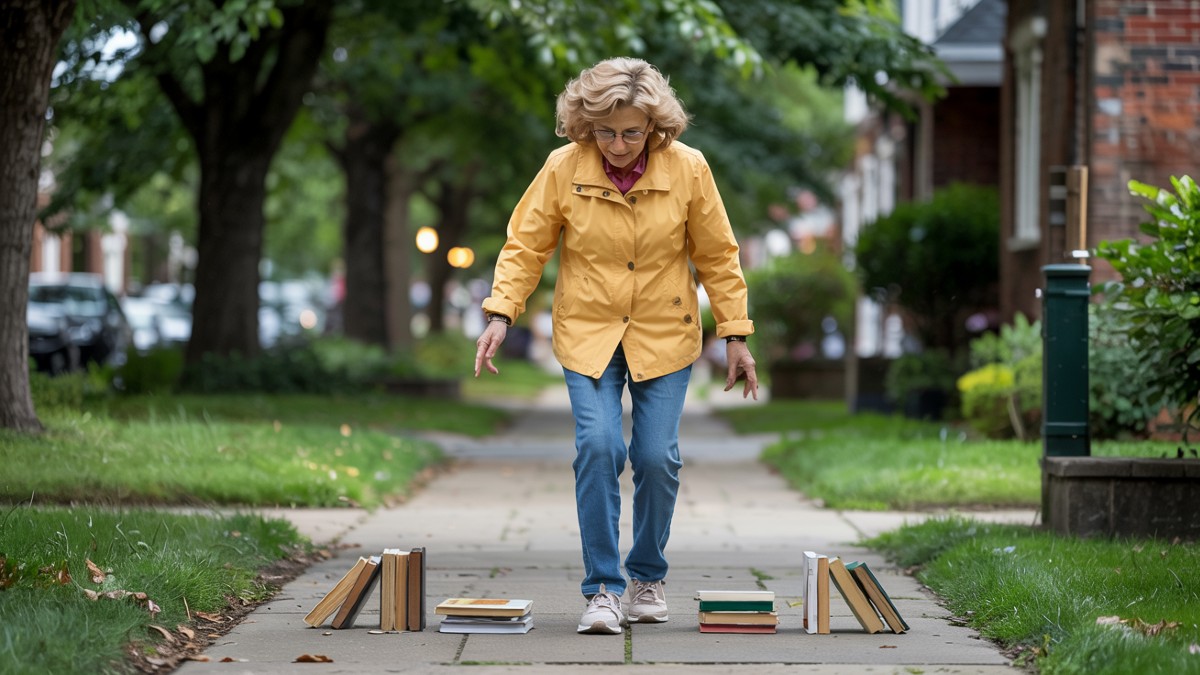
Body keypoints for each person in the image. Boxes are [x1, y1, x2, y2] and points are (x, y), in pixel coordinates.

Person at [473, 57, 759, 635]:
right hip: (588, 331)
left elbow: (718, 257)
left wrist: (735, 334)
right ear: (585, 124)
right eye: (606, 131)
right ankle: (603, 589)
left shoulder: (689, 169)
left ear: (656, 125)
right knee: (600, 448)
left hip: (665, 332)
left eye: (632, 131)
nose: (620, 144)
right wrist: (501, 313)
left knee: (657, 458)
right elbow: (525, 247)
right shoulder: (562, 168)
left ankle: (646, 578)